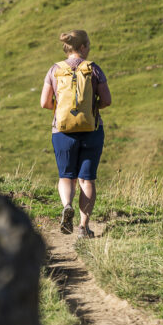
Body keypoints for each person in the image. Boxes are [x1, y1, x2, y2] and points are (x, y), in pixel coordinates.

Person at [39, 29, 111, 238]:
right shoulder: (94, 70)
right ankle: (83, 226)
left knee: (66, 176)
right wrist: (90, 108)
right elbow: (107, 100)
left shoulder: (54, 70)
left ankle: (67, 205)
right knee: (86, 180)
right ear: (82, 47)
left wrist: (61, 107)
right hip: (91, 129)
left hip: (62, 132)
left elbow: (44, 102)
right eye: (88, 45)